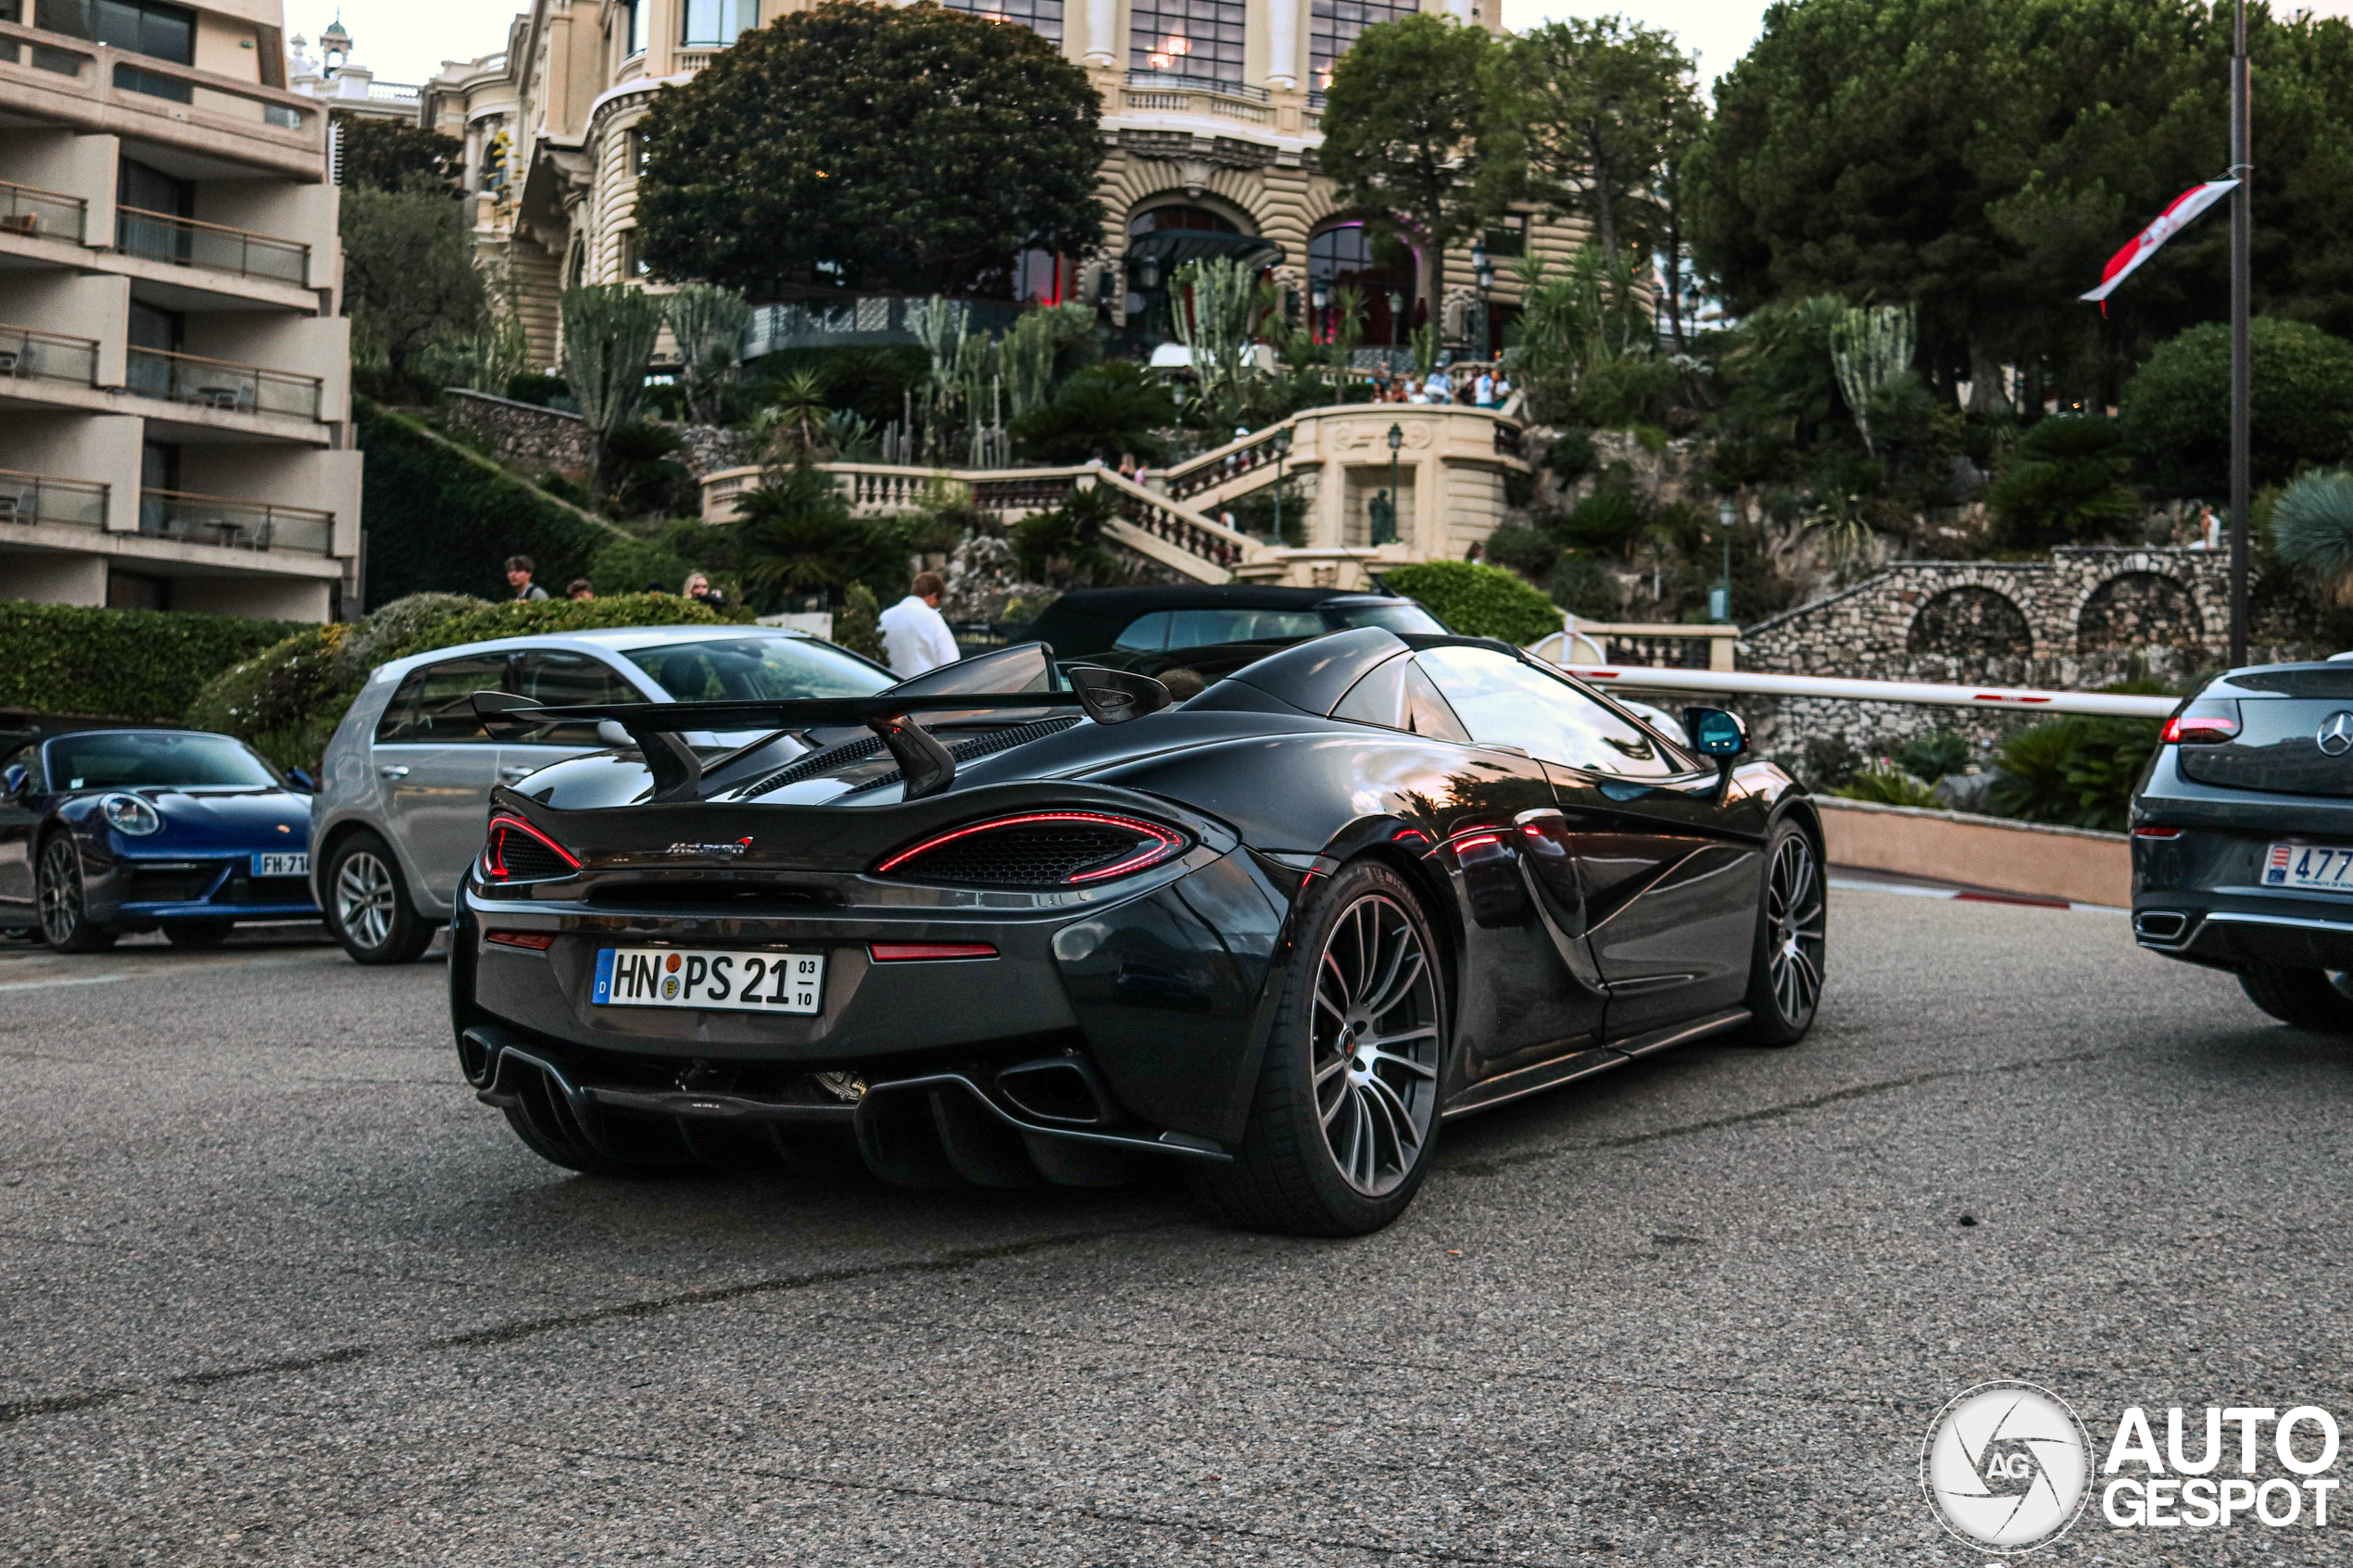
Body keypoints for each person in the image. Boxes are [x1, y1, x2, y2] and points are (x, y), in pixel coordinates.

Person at [877, 571, 960, 677]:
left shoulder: (885, 616)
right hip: (924, 688)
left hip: (887, 686)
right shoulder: (932, 618)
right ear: (933, 596)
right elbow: (951, 661)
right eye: (938, 600)